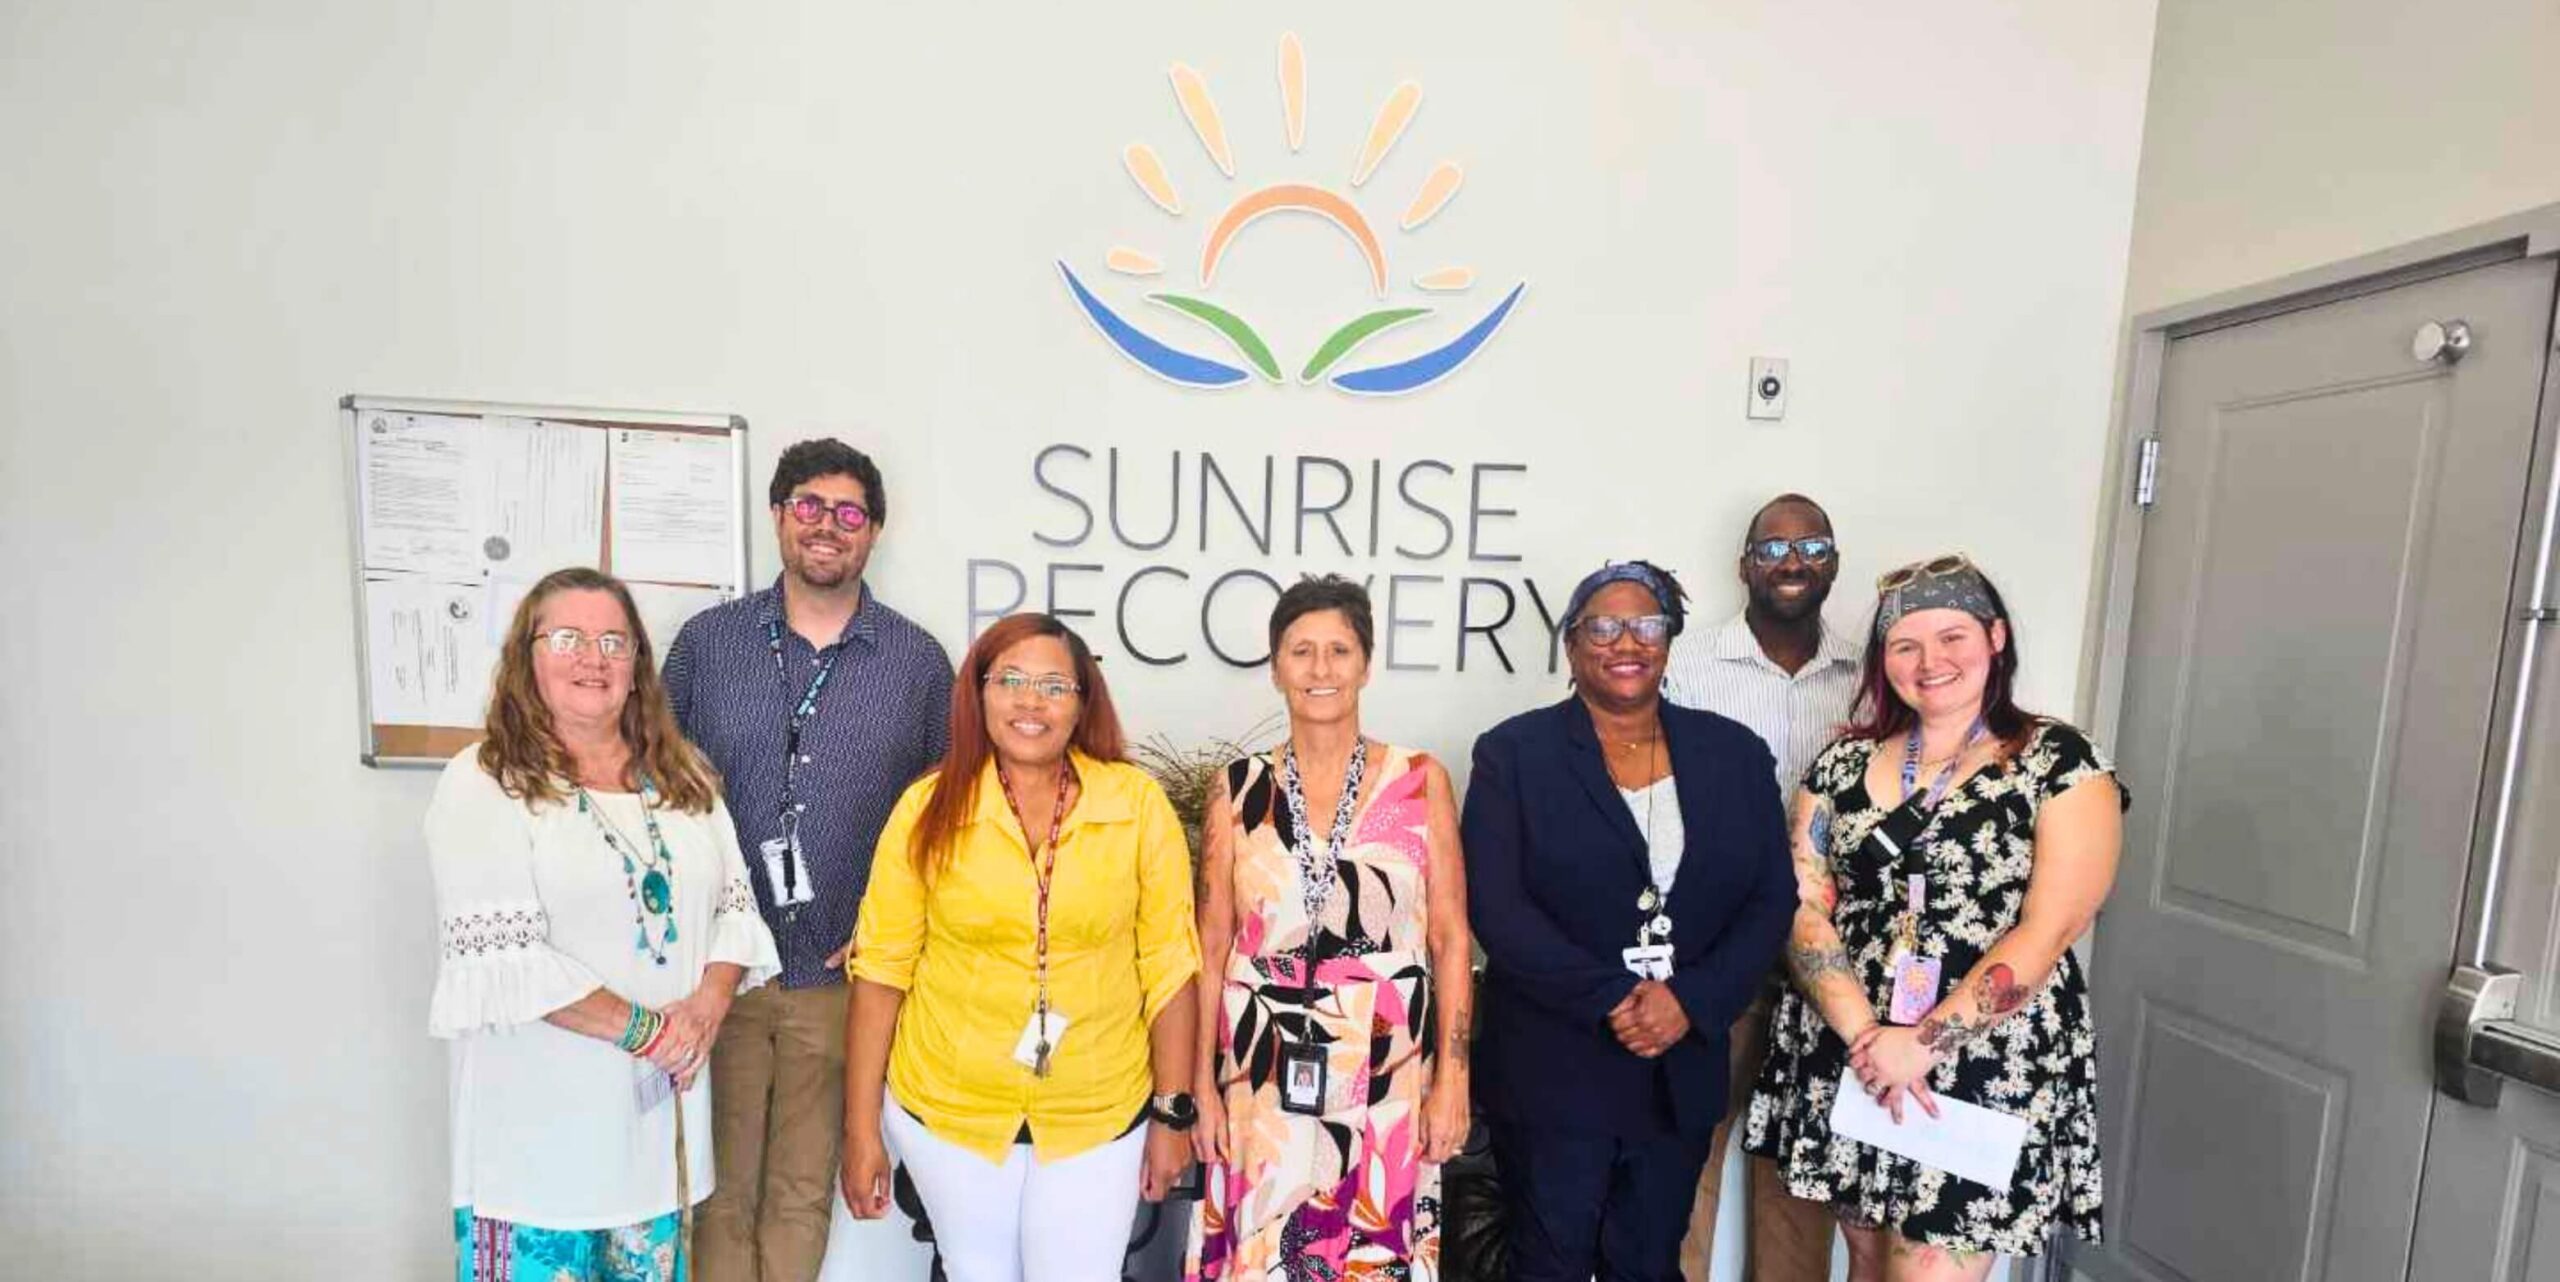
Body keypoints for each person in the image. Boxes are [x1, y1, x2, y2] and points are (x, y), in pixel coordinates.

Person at [1743, 555, 2124, 1281]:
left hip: (1979, 1059)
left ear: (1996, 637)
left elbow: (2051, 929)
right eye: (1906, 644)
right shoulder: (1840, 765)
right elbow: (1803, 905)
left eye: (1953, 637)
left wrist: (1920, 1045)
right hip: (1854, 1049)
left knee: (1931, 1270)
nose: (1931, 661)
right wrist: (1866, 1037)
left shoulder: (2059, 763)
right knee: (1864, 1259)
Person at [427, 567, 781, 1281]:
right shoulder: (484, 779)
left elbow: (735, 910)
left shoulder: (684, 777)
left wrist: (707, 1010)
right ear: (527, 656)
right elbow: (505, 962)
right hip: (534, 1149)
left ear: (637, 666)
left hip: (654, 1141)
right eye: (568, 637)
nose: (594, 658)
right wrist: (653, 1033)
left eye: (614, 641)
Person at [663, 439, 954, 1282]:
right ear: (779, 516)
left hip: (840, 977)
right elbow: (656, 789)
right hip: (720, 970)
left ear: (875, 534)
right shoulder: (706, 646)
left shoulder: (917, 663)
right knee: (715, 1190)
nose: (829, 526)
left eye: (850, 513)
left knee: (799, 1189)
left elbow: (945, 821)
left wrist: (889, 930)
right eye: (810, 507)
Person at [839, 613, 1201, 1282]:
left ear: (1083, 702)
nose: (1030, 701)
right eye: (1009, 680)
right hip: (950, 1108)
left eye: (1054, 685)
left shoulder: (1136, 806)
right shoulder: (926, 809)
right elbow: (882, 972)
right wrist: (861, 1130)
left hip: (1099, 1108)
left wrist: (1173, 1116)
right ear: (977, 693)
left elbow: (1171, 968)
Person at [1462, 561, 1796, 1282]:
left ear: (1669, 640)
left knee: (1648, 1263)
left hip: (1677, 1065)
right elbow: (1496, 906)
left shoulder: (1733, 756)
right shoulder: (1514, 754)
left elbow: (1771, 899)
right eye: (1603, 626)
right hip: (1554, 1065)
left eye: (1646, 624)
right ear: (1572, 644)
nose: (1626, 642)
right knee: (1548, 1263)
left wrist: (1692, 1002)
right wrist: (1612, 997)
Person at [1187, 576, 1476, 1282]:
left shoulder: (1419, 779)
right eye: (1301, 651)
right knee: (1263, 1255)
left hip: (1389, 1063)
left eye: (1339, 650)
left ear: (1366, 664)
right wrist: (1199, 1082)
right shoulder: (1238, 786)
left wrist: (1454, 1080)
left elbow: (1449, 938)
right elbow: (1211, 943)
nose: (1321, 670)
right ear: (1276, 665)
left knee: (1374, 1251)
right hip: (1260, 1066)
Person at [1662, 494, 1860, 1282]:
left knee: (1799, 1178)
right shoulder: (1686, 665)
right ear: (1745, 565)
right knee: (1685, 1157)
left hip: (1832, 958)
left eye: (1811, 545)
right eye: (1773, 547)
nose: (1792, 561)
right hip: (1715, 946)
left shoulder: (1871, 677)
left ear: (1833, 562)